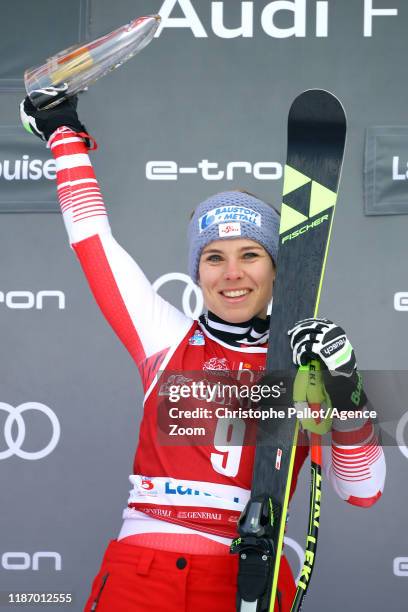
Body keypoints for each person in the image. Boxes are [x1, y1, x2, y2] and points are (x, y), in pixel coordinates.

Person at [20, 96, 386, 612]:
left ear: (278, 269)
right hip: (141, 576)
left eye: (250, 255)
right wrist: (63, 138)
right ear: (197, 273)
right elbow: (93, 242)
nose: (231, 273)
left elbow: (363, 490)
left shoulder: (313, 367)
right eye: (213, 257)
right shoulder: (164, 340)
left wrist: (347, 386)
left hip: (247, 579)